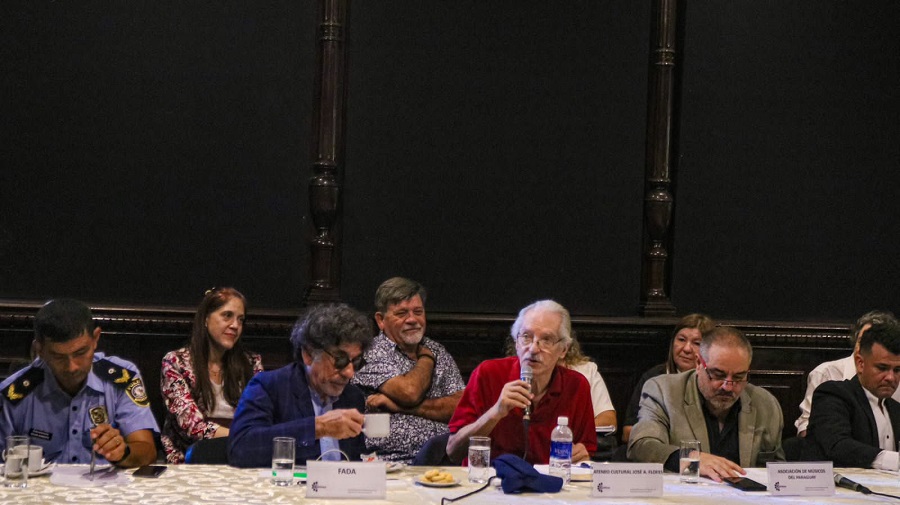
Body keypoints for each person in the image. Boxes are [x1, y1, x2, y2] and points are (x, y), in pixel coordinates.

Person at [0, 299, 158, 467]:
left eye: (80, 352)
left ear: (95, 338)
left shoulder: (121, 378)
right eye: (59, 357)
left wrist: (123, 452)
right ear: (40, 351)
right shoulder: (14, 393)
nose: (72, 367)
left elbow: (147, 452)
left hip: (103, 490)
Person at [446, 300, 596, 464]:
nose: (533, 349)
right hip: (491, 482)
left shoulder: (576, 386)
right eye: (526, 337)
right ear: (516, 342)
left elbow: (585, 451)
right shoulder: (487, 374)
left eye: (546, 340)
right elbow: (453, 450)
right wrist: (495, 413)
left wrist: (582, 455)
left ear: (563, 350)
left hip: (549, 484)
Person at [627, 326, 784, 481]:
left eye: (739, 377)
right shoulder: (664, 391)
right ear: (698, 363)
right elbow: (642, 446)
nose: (728, 386)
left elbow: (778, 474)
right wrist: (691, 459)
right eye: (717, 375)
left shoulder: (766, 404)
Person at [228, 303, 374, 466]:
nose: (349, 372)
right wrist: (317, 427)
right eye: (340, 360)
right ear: (309, 354)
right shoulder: (269, 386)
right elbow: (241, 450)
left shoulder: (352, 396)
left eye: (356, 361)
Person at [350, 277, 465, 463]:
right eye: (402, 313)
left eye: (418, 312)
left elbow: (462, 407)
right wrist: (426, 359)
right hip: (392, 462)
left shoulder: (438, 351)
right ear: (381, 320)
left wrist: (399, 407)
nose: (412, 319)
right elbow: (409, 392)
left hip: (446, 457)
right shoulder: (370, 353)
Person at [160, 287, 264, 463]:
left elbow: (260, 417)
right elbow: (192, 425)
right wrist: (245, 439)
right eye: (227, 316)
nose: (235, 325)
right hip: (189, 460)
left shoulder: (252, 363)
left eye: (241, 319)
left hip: (241, 458)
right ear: (206, 319)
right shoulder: (175, 362)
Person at [805, 321, 900, 469]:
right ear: (860, 363)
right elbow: (837, 445)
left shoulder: (896, 409)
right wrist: (894, 460)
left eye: (897, 370)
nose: (891, 377)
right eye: (882, 368)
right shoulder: (832, 395)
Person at [795, 310, 898, 437]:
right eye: (864, 341)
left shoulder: (892, 379)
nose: (890, 377)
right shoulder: (826, 373)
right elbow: (807, 428)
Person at [622, 313, 715, 442]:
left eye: (696, 343)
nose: (687, 349)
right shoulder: (653, 378)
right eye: (681, 340)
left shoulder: (714, 383)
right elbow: (628, 432)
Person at [560, 337, 616, 428]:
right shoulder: (531, 371)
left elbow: (608, 419)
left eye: (547, 340)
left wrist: (568, 430)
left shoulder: (587, 371)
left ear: (565, 347)